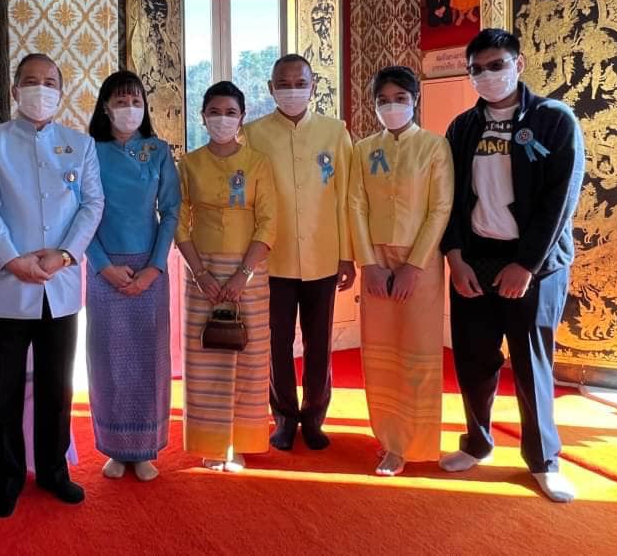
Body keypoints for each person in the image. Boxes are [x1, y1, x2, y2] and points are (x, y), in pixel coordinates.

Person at [439, 29, 585, 503]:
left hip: (535, 265)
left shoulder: (554, 120)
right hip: (476, 259)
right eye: (477, 69)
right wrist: (455, 257)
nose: (486, 75)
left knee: (530, 361)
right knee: (473, 359)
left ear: (518, 65)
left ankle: (543, 460)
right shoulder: (463, 127)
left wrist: (526, 264)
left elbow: (559, 201)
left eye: (496, 65)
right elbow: (448, 199)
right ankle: (477, 443)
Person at [0, 53, 104, 517]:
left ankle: (53, 471)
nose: (40, 89)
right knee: (4, 390)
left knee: (57, 388)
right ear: (14, 91)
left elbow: (92, 204)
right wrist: (13, 259)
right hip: (9, 286)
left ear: (60, 92)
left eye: (49, 82)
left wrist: (64, 255)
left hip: (60, 287)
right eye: (30, 81)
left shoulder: (80, 145)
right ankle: (7, 477)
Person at [242, 54, 355, 452]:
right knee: (277, 342)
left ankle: (315, 417)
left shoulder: (335, 132)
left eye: (300, 83)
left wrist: (347, 254)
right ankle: (285, 418)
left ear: (313, 86)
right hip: (273, 259)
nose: (292, 90)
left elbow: (346, 197)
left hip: (323, 256)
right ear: (270, 89)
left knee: (319, 343)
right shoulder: (253, 135)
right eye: (284, 84)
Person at [348, 66, 454, 476]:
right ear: (373, 105)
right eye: (383, 100)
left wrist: (414, 265)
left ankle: (420, 442)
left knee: (418, 351)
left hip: (420, 262)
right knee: (380, 353)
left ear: (415, 101)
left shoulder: (434, 147)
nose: (391, 106)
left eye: (400, 99)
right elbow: (355, 205)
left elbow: (440, 208)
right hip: (376, 259)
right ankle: (391, 442)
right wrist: (368, 263)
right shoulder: (363, 149)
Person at [177, 81, 277, 471]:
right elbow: (177, 221)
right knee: (206, 359)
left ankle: (241, 441)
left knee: (250, 357)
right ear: (203, 117)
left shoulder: (258, 162)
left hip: (249, 273)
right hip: (201, 274)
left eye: (230, 112)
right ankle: (211, 442)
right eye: (214, 112)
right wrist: (199, 272)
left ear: (242, 117)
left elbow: (269, 222)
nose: (222, 119)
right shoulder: (189, 164)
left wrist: (243, 275)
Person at [86, 71, 180, 482]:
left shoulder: (157, 151)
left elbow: (171, 211)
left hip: (149, 271)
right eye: (121, 101)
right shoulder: (89, 152)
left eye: (136, 101)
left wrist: (154, 268)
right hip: (103, 269)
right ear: (106, 107)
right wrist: (102, 265)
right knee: (106, 359)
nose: (129, 108)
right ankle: (113, 447)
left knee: (149, 359)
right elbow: (80, 214)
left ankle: (145, 449)